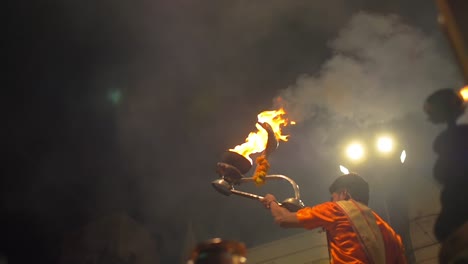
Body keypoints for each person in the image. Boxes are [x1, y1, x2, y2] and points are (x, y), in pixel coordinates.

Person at [261, 173, 406, 264]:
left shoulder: (336, 209)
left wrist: (271, 201)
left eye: (333, 197)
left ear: (344, 194)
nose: (332, 201)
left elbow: (282, 218)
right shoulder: (391, 233)